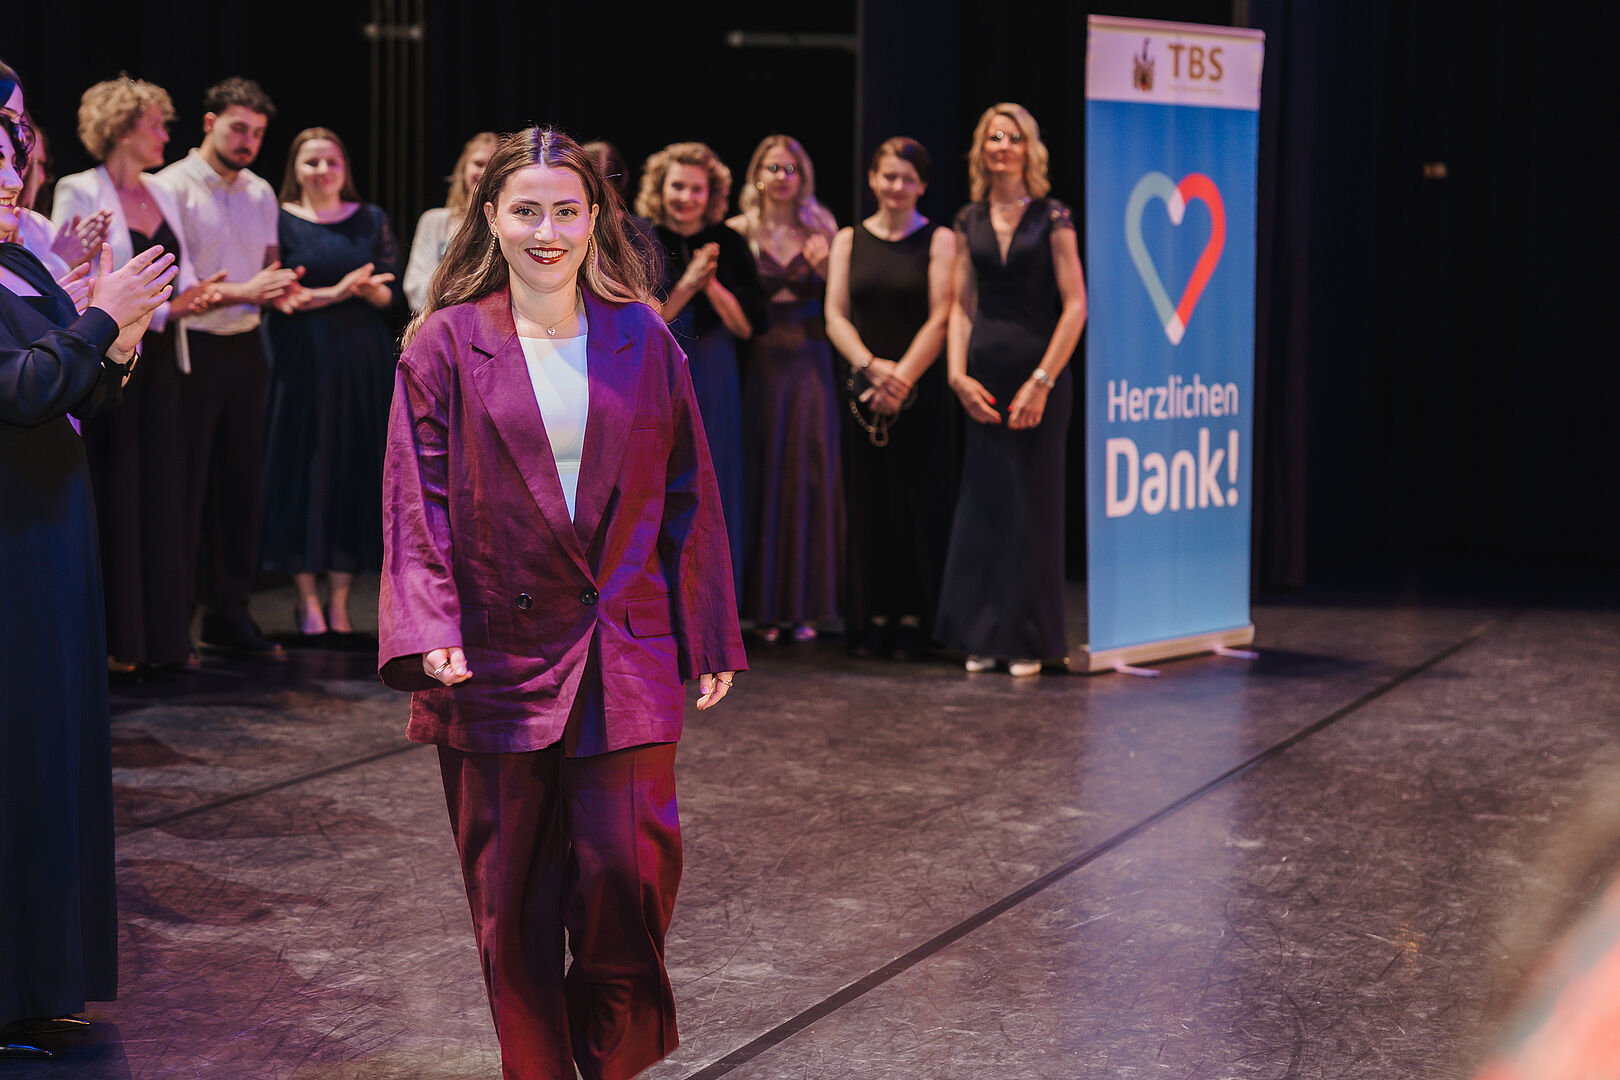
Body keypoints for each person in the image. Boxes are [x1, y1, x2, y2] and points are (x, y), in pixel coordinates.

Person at [380, 126, 745, 1080]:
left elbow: (689, 488)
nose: (547, 232)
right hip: (493, 654)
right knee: (513, 904)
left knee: (630, 875)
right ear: (491, 217)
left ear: (595, 220)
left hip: (625, 643)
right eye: (527, 211)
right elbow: (416, 498)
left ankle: (612, 1062)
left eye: (566, 211)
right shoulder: (444, 343)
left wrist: (707, 625)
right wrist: (428, 625)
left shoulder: (644, 336)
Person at [0, 113, 179, 1058]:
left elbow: (73, 391)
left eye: (12, 160)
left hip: (53, 531)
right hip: (10, 540)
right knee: (15, 749)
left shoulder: (20, 267)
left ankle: (39, 982)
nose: (10, 178)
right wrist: (99, 318)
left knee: (52, 750)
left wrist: (116, 343)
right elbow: (22, 389)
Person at [54, 75, 223, 674]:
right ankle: (119, 642)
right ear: (124, 129)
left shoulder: (163, 191)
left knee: (163, 493)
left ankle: (163, 640)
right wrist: (165, 307)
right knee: (119, 492)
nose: (164, 136)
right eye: (156, 124)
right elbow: (67, 281)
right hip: (112, 359)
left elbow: (183, 272)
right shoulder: (80, 188)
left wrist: (199, 295)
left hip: (163, 360)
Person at [935, 103, 1088, 677]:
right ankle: (980, 636)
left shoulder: (1054, 216)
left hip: (1039, 377)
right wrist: (956, 375)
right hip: (983, 378)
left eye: (1013, 137)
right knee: (985, 504)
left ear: (1029, 149)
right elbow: (961, 307)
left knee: (1032, 508)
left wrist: (1042, 382)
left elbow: (1076, 306)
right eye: (994, 136)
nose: (1003, 145)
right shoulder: (968, 218)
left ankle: (1027, 639)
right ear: (982, 149)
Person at [155, 77, 300, 660]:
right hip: (190, 347)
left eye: (258, 133)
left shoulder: (260, 191)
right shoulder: (171, 185)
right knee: (188, 485)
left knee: (241, 484)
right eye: (239, 128)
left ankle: (230, 613)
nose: (248, 142)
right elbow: (177, 283)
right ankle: (175, 620)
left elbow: (271, 267)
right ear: (210, 123)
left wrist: (289, 288)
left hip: (245, 345)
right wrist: (250, 289)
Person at [262, 126, 399, 642]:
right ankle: (306, 601)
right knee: (302, 467)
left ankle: (340, 600)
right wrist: (340, 291)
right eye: (311, 162)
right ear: (295, 169)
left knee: (351, 467)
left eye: (332, 162)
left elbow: (391, 295)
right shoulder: (279, 219)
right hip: (300, 360)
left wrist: (372, 293)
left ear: (345, 168)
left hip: (359, 359)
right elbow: (281, 296)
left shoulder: (371, 218)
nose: (322, 171)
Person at [824, 137, 958, 660]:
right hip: (863, 392)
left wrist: (900, 378)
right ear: (872, 180)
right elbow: (835, 315)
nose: (897, 186)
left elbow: (942, 315)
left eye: (907, 178)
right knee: (869, 505)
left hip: (919, 392)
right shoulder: (848, 239)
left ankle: (916, 619)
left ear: (922, 185)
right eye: (888, 176)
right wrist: (870, 367)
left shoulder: (940, 240)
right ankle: (873, 617)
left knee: (917, 506)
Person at [725, 134, 843, 643]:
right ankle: (761, 608)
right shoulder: (739, 231)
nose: (781, 177)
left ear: (803, 177)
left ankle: (804, 606)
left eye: (790, 169)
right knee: (760, 472)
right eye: (772, 168)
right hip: (759, 365)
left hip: (811, 363)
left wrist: (826, 268)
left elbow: (847, 300)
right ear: (757, 174)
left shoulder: (823, 228)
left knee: (807, 473)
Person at [636, 141, 765, 599]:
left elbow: (748, 327)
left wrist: (711, 286)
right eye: (677, 186)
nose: (686, 198)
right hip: (656, 370)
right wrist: (689, 283)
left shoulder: (728, 242)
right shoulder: (641, 238)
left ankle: (717, 599)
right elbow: (647, 319)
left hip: (715, 369)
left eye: (696, 189)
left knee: (718, 476)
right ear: (660, 187)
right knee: (661, 479)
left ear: (711, 194)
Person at [0, 62, 110, 280]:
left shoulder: (38, 227)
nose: (17, 181)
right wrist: (60, 263)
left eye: (17, 162)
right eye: (7, 115)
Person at [403, 131, 496, 311]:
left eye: (491, 166)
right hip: (437, 320)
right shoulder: (433, 221)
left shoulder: (506, 224)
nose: (484, 172)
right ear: (463, 169)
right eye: (478, 164)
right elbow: (415, 291)